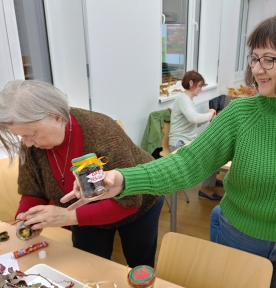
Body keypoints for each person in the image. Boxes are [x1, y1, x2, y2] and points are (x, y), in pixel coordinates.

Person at [63, 11, 276, 288]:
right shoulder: (240, 114)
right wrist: (124, 179)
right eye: (254, 58)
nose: (258, 69)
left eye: (269, 59)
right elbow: (187, 163)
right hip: (240, 235)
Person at [0, 79, 164, 268]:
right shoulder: (32, 146)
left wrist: (67, 217)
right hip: (81, 213)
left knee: (139, 264)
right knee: (88, 265)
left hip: (139, 206)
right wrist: (26, 218)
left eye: (33, 134)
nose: (28, 143)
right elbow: (32, 190)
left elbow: (128, 203)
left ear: (56, 117)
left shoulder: (102, 131)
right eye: (22, 136)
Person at [169, 70, 222, 200]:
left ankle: (211, 182)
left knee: (214, 150)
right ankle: (205, 188)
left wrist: (207, 117)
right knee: (210, 156)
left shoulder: (188, 100)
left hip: (187, 141)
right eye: (199, 86)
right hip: (179, 144)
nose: (201, 89)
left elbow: (193, 123)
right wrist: (209, 114)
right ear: (191, 83)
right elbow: (193, 119)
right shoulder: (183, 99)